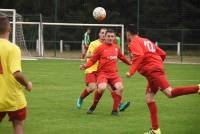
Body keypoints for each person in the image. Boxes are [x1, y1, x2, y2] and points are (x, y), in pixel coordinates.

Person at [125, 24, 200, 134]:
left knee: (170, 93)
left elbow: (139, 56)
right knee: (149, 98)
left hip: (153, 71)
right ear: (137, 32)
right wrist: (157, 63)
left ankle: (197, 88)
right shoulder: (146, 40)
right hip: (153, 71)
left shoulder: (134, 42)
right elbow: (162, 53)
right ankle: (155, 130)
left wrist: (131, 72)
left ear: (128, 33)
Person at [77, 28, 130, 112]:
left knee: (120, 88)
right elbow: (93, 59)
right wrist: (85, 66)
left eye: (112, 36)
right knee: (101, 88)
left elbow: (122, 57)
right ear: (105, 37)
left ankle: (115, 110)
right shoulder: (100, 47)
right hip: (102, 73)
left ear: (114, 37)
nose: (110, 38)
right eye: (108, 36)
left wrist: (130, 63)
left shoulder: (116, 47)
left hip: (113, 74)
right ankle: (93, 106)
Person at [0, 16, 32, 134]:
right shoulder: (13, 48)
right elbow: (17, 74)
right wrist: (27, 84)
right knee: (18, 123)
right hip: (12, 97)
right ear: (10, 28)